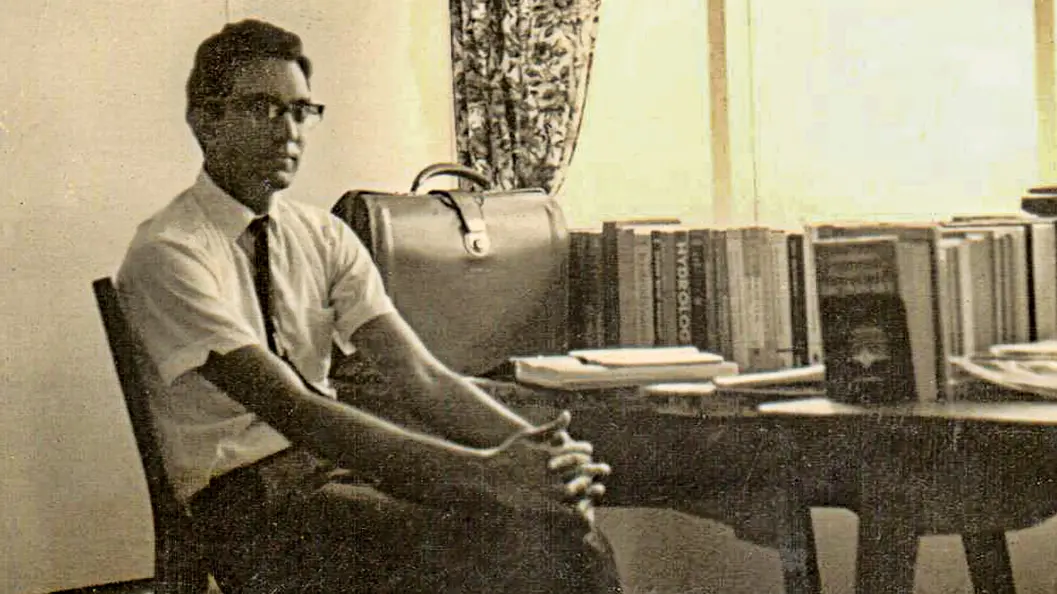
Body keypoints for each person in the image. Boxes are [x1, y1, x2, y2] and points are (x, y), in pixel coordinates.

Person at [117, 18, 621, 593]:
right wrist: (486, 473)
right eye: (262, 108)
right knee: (490, 540)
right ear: (206, 121)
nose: (289, 132)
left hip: (334, 472)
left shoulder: (321, 235)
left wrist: (539, 453)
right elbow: (296, 408)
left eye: (300, 111)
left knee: (554, 527)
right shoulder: (168, 252)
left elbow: (420, 376)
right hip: (247, 505)